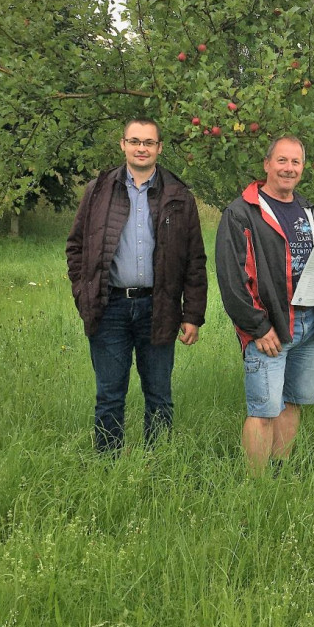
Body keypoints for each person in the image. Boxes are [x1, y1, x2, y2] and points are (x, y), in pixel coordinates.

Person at [66, 118, 208, 453]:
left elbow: (195, 260)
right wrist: (83, 292)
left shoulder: (178, 195)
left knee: (159, 395)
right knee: (109, 395)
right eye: (134, 141)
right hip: (109, 307)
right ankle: (108, 465)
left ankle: (157, 467)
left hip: (158, 308)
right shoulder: (98, 190)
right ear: (123, 145)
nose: (141, 148)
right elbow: (76, 247)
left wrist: (192, 315)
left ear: (159, 148)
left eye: (148, 142)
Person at [215, 136, 314, 474]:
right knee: (263, 410)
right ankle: (257, 487)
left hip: (308, 322)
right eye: (282, 161)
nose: (289, 168)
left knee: (294, 402)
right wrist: (256, 326)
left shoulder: (307, 210)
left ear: (302, 168)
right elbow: (231, 277)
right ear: (267, 164)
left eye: (295, 162)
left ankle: (281, 471)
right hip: (269, 326)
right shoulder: (242, 212)